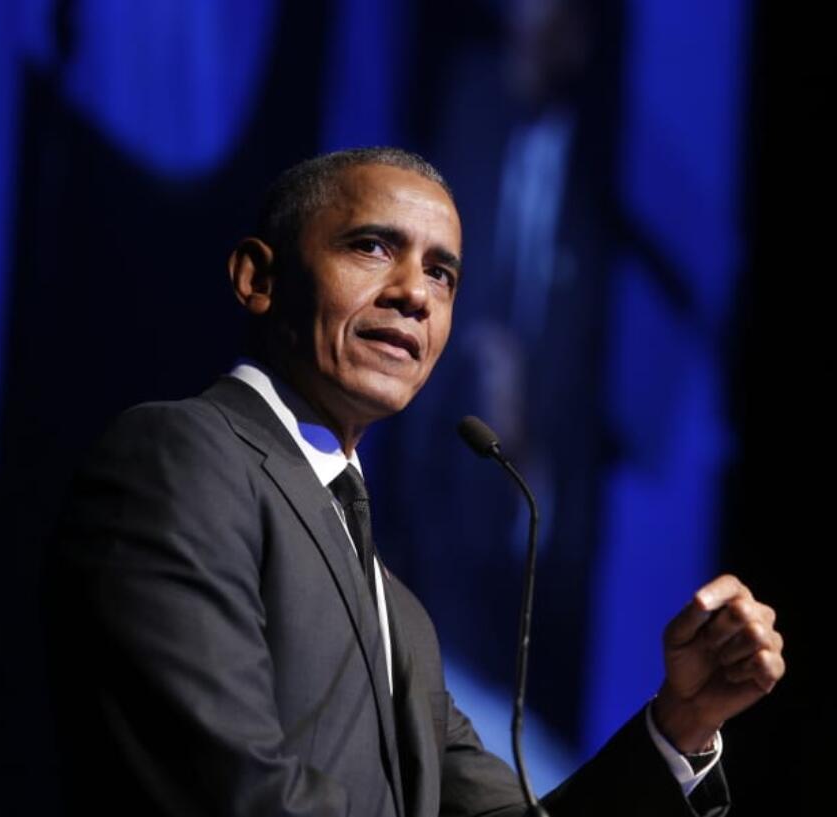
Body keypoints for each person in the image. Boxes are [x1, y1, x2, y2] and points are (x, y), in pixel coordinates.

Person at [51, 147, 785, 817]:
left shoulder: (401, 617)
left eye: (442, 272)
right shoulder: (180, 455)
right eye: (371, 246)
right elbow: (234, 790)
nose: (415, 294)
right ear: (259, 277)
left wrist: (678, 726)